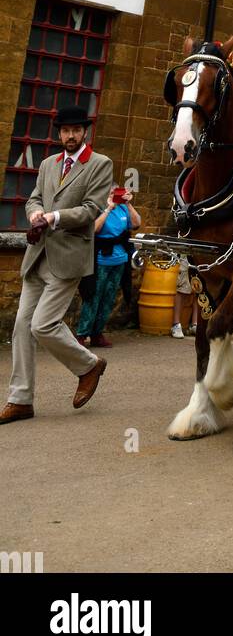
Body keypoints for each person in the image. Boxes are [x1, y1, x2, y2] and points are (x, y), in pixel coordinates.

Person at [1, 105, 113, 424]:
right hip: (37, 256)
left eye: (76, 130)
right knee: (22, 327)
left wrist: (55, 217)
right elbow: (35, 198)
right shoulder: (49, 163)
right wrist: (35, 213)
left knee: (42, 324)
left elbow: (91, 209)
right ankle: (20, 400)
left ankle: (88, 365)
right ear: (59, 133)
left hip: (68, 257)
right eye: (65, 131)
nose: (70, 135)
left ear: (84, 132)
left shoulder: (100, 164)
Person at [76, 186, 141, 348]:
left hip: (119, 261)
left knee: (108, 299)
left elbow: (136, 224)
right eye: (112, 193)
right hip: (100, 261)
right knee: (93, 297)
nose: (114, 196)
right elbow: (95, 229)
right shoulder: (98, 208)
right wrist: (109, 208)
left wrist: (128, 204)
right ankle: (82, 335)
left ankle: (97, 334)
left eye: (117, 193)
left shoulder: (123, 209)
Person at [171, 256, 198, 339]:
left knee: (199, 287)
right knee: (183, 287)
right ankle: (176, 324)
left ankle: (195, 324)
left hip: (201, 252)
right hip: (186, 252)